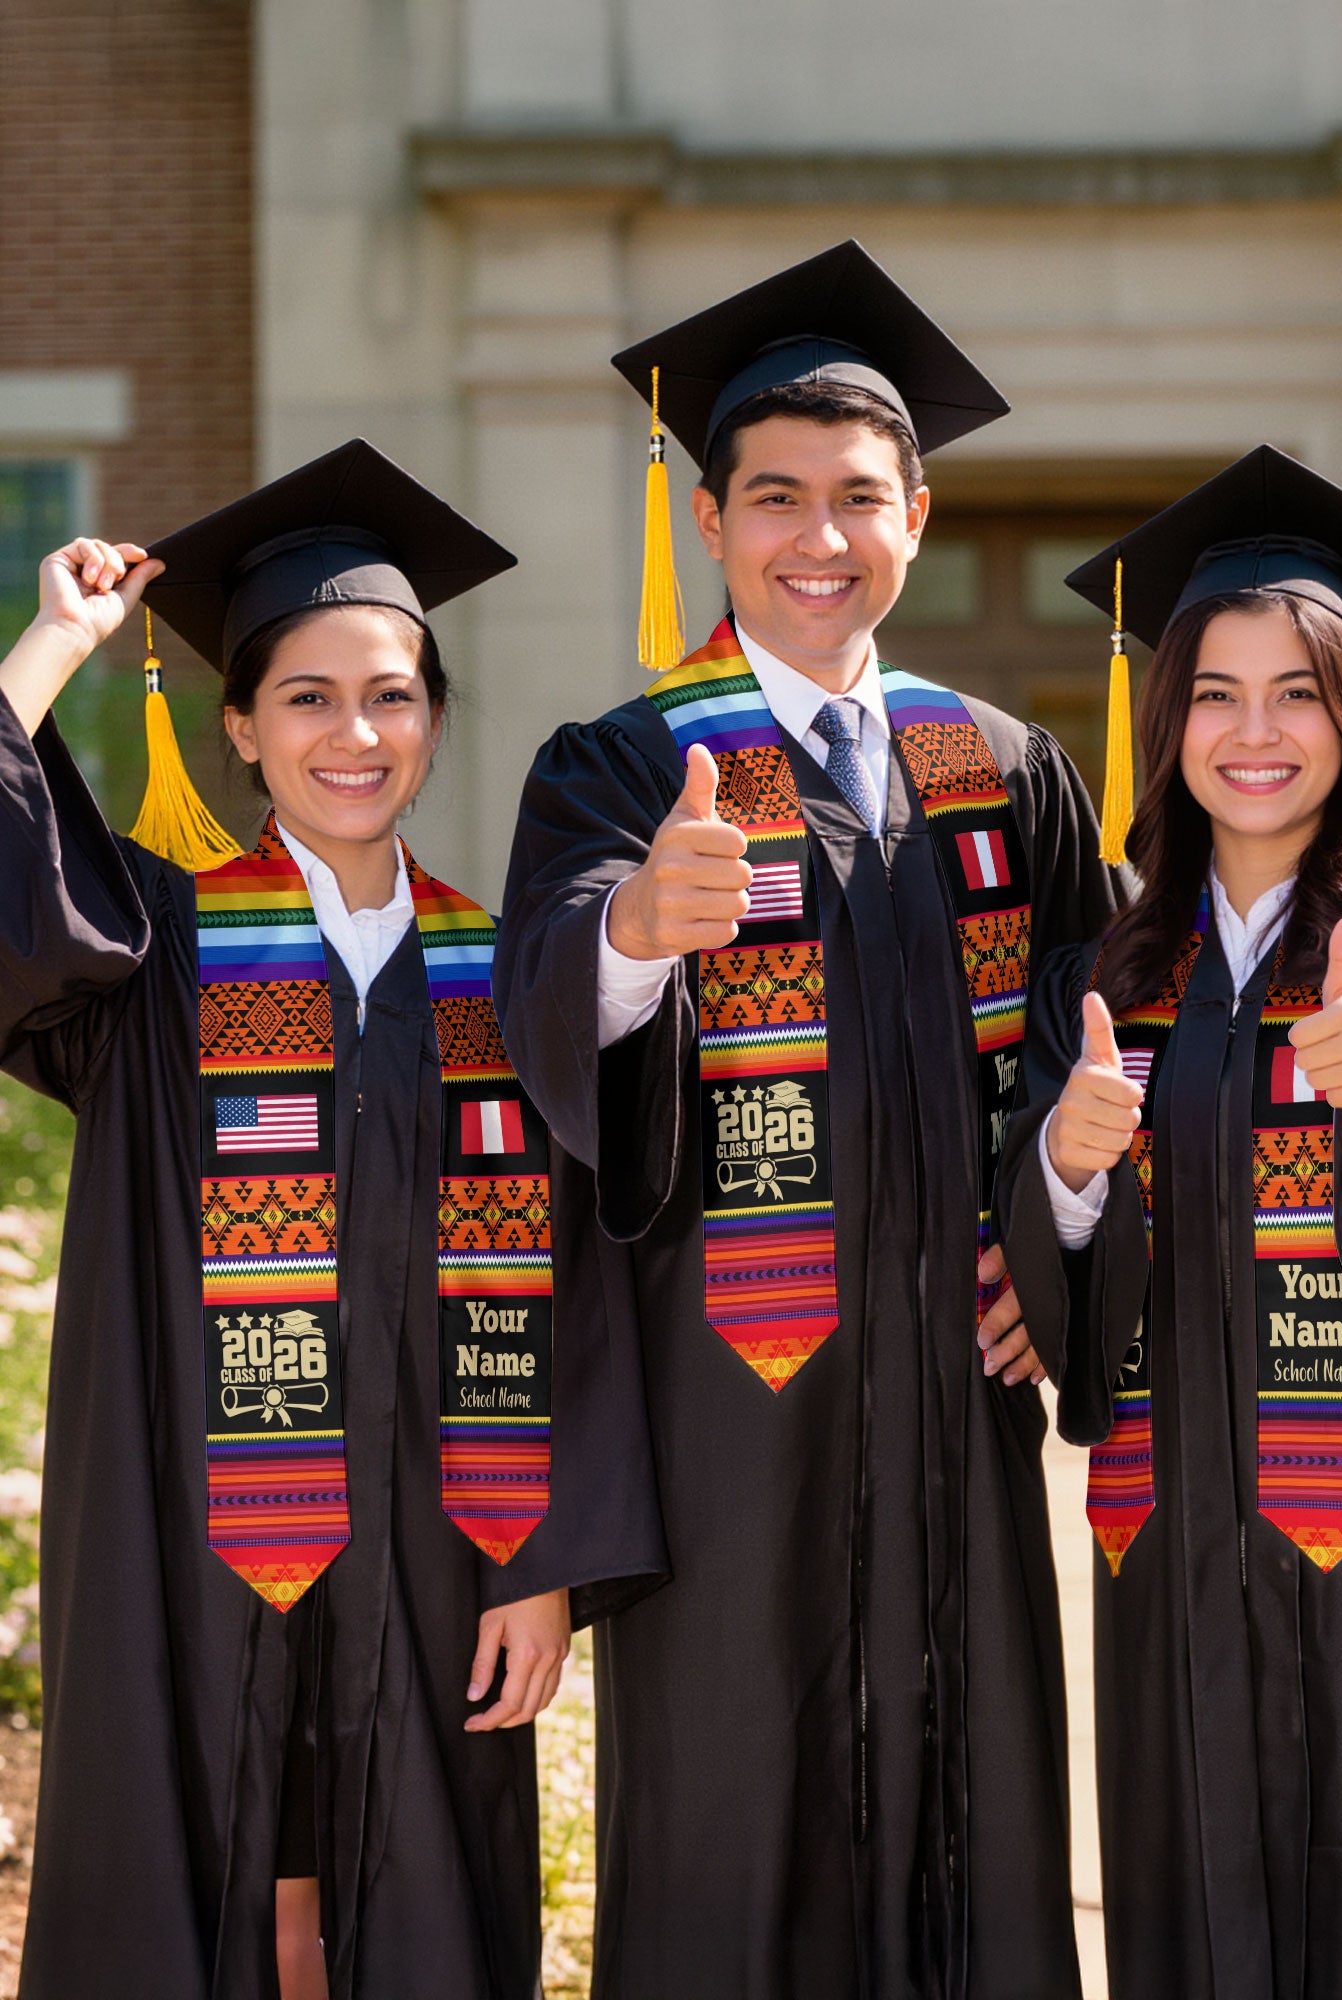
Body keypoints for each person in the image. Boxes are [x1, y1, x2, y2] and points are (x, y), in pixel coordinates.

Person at [494, 241, 1121, 1999]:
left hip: (954, 1398)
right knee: (734, 1828)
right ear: (711, 521)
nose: (818, 538)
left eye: (860, 498)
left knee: (974, 1813)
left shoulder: (1000, 763)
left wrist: (1056, 1240)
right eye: (776, 498)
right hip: (732, 1407)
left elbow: (1110, 1040)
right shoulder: (626, 764)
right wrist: (632, 930)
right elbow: (540, 998)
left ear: (917, 515)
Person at [0, 440, 664, 2000]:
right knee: (202, 1874)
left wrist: (544, 1560)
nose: (353, 733)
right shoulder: (153, 950)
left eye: (392, 694)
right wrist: (53, 646)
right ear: (239, 725)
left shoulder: (507, 977)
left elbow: (582, 1287)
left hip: (445, 1545)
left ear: (434, 718)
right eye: (305, 696)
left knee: (420, 1902)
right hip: (190, 1529)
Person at [996, 446, 1342, 1998]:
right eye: (1216, 694)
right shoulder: (1101, 979)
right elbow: (1050, 1260)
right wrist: (1064, 1155)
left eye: (1300, 692)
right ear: (1166, 721)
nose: (1257, 734)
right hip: (1176, 1525)